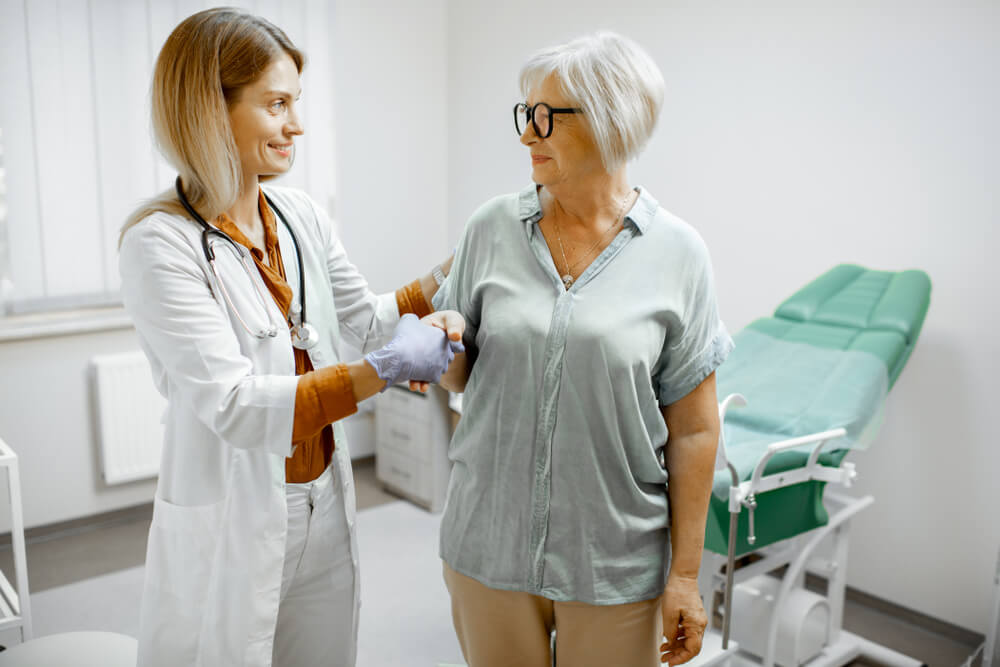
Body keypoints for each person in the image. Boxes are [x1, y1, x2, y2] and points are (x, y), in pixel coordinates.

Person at [117, 8, 462, 667]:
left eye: (296, 103)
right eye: (277, 104)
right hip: (237, 512)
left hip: (324, 498)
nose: (296, 125)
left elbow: (368, 318)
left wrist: (457, 267)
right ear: (209, 111)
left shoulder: (300, 215)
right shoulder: (159, 243)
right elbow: (238, 406)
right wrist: (388, 367)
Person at [433, 32, 733, 666]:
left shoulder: (679, 253)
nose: (525, 137)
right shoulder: (490, 227)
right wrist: (442, 344)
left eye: (545, 118)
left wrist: (684, 575)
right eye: (525, 115)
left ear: (610, 119)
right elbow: (461, 380)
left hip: (613, 563)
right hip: (488, 545)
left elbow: (695, 429)